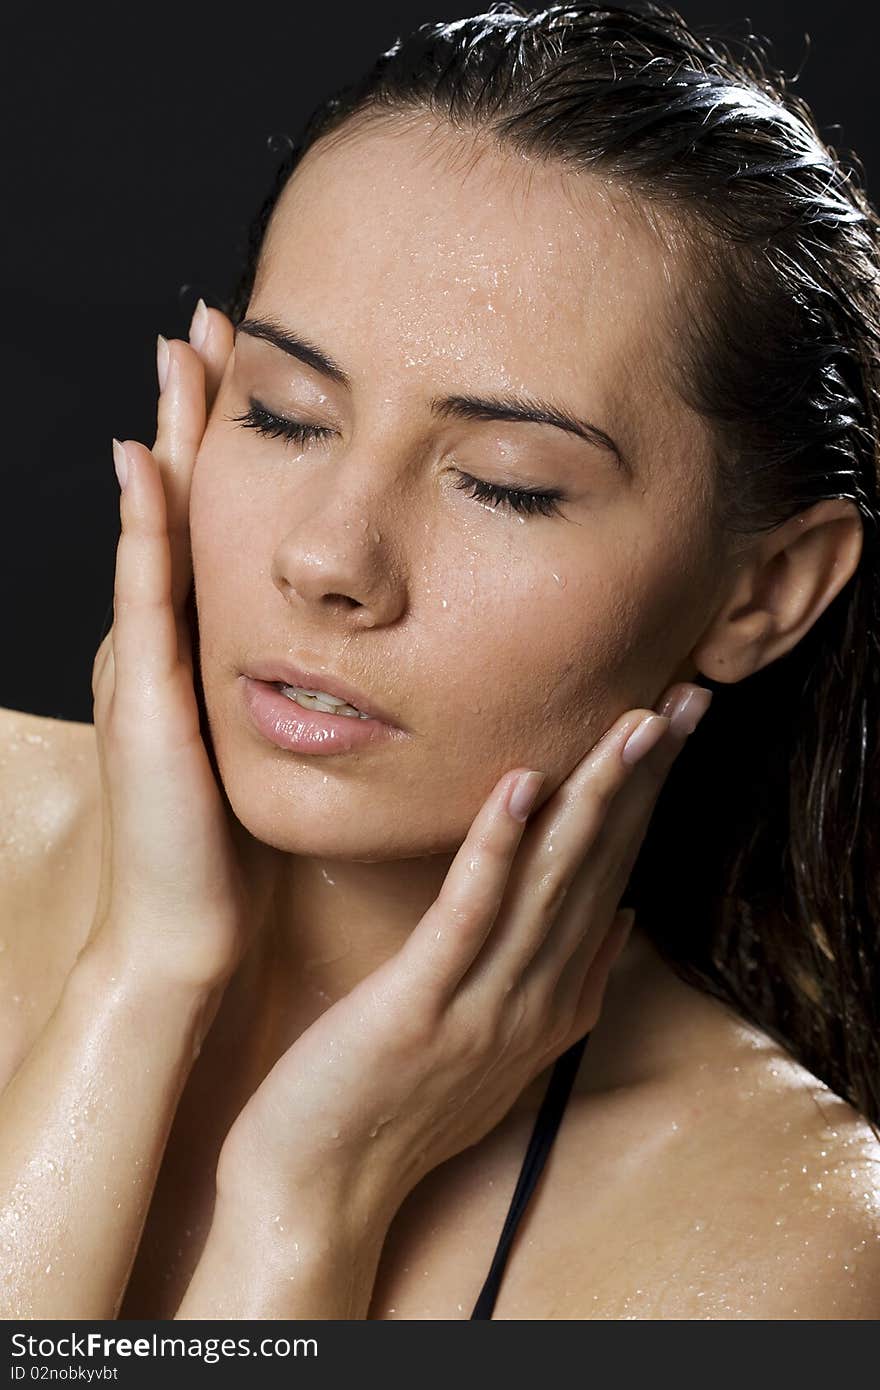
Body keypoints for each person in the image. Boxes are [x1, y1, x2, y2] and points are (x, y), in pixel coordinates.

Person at [1, 0, 878, 1321]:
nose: (328, 559)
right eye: (287, 416)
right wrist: (143, 973)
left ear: (765, 588)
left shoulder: (785, 1241)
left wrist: (311, 1197)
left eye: (505, 485)